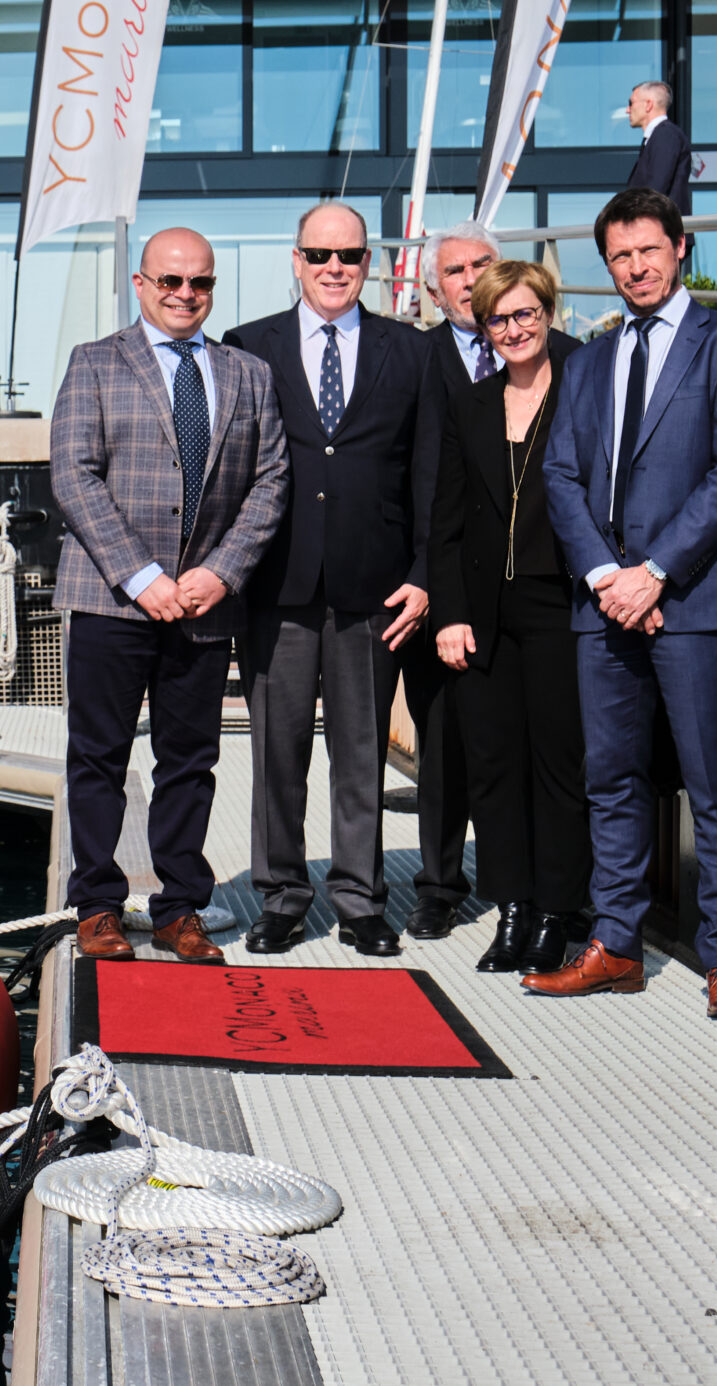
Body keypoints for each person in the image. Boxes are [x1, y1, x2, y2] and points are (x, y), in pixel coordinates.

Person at [529, 188, 717, 1020]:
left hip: (697, 601)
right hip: (604, 604)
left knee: (715, 785)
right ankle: (618, 946)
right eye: (620, 256)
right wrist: (607, 577)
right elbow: (560, 475)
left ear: (680, 249)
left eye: (648, 251)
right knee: (612, 779)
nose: (635, 267)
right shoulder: (589, 361)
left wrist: (655, 573)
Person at [51, 228, 289, 965]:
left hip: (204, 602)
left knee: (190, 759)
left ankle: (179, 907)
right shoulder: (94, 363)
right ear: (140, 282)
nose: (187, 294)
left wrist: (222, 571)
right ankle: (97, 905)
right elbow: (73, 476)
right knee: (99, 758)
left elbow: (271, 479)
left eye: (201, 283)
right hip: (110, 599)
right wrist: (140, 575)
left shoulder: (247, 374)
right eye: (171, 281)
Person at [226, 202, 439, 960]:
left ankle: (360, 900)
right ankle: (281, 898)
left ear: (369, 263)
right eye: (319, 255)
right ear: (296, 260)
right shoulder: (248, 347)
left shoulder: (410, 352)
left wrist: (422, 575)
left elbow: (428, 475)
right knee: (277, 758)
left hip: (372, 590)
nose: (334, 268)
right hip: (275, 586)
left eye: (348, 255)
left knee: (360, 757)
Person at [429, 260, 587, 975]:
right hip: (483, 612)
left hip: (560, 604)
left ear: (549, 314)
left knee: (558, 764)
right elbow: (448, 519)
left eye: (526, 314)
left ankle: (556, 911)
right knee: (493, 764)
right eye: (500, 319)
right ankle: (512, 906)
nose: (515, 329)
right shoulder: (473, 402)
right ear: (484, 328)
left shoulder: (583, 389)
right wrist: (450, 615)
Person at [401, 219, 505, 940]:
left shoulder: (546, 353)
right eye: (456, 272)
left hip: (520, 584)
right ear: (436, 292)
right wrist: (424, 579)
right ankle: (439, 884)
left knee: (517, 743)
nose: (470, 281)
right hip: (434, 579)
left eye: (482, 265)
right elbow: (401, 481)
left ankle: (515, 882)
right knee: (441, 743)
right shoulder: (413, 360)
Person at [624, 81, 694, 219]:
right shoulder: (659, 136)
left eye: (631, 103)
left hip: (661, 232)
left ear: (648, 105)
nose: (627, 109)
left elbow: (656, 189)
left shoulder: (665, 135)